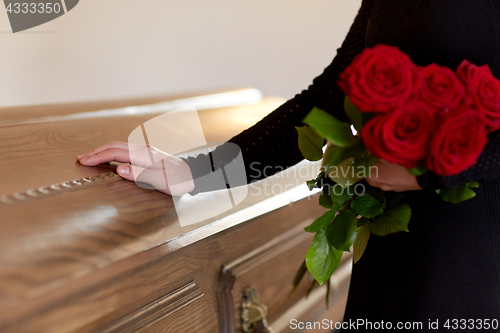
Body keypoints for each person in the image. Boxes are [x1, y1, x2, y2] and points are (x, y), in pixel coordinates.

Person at [78, 0, 500, 330]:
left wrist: (431, 170)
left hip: (477, 253)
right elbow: (331, 91)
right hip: (398, 246)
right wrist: (198, 172)